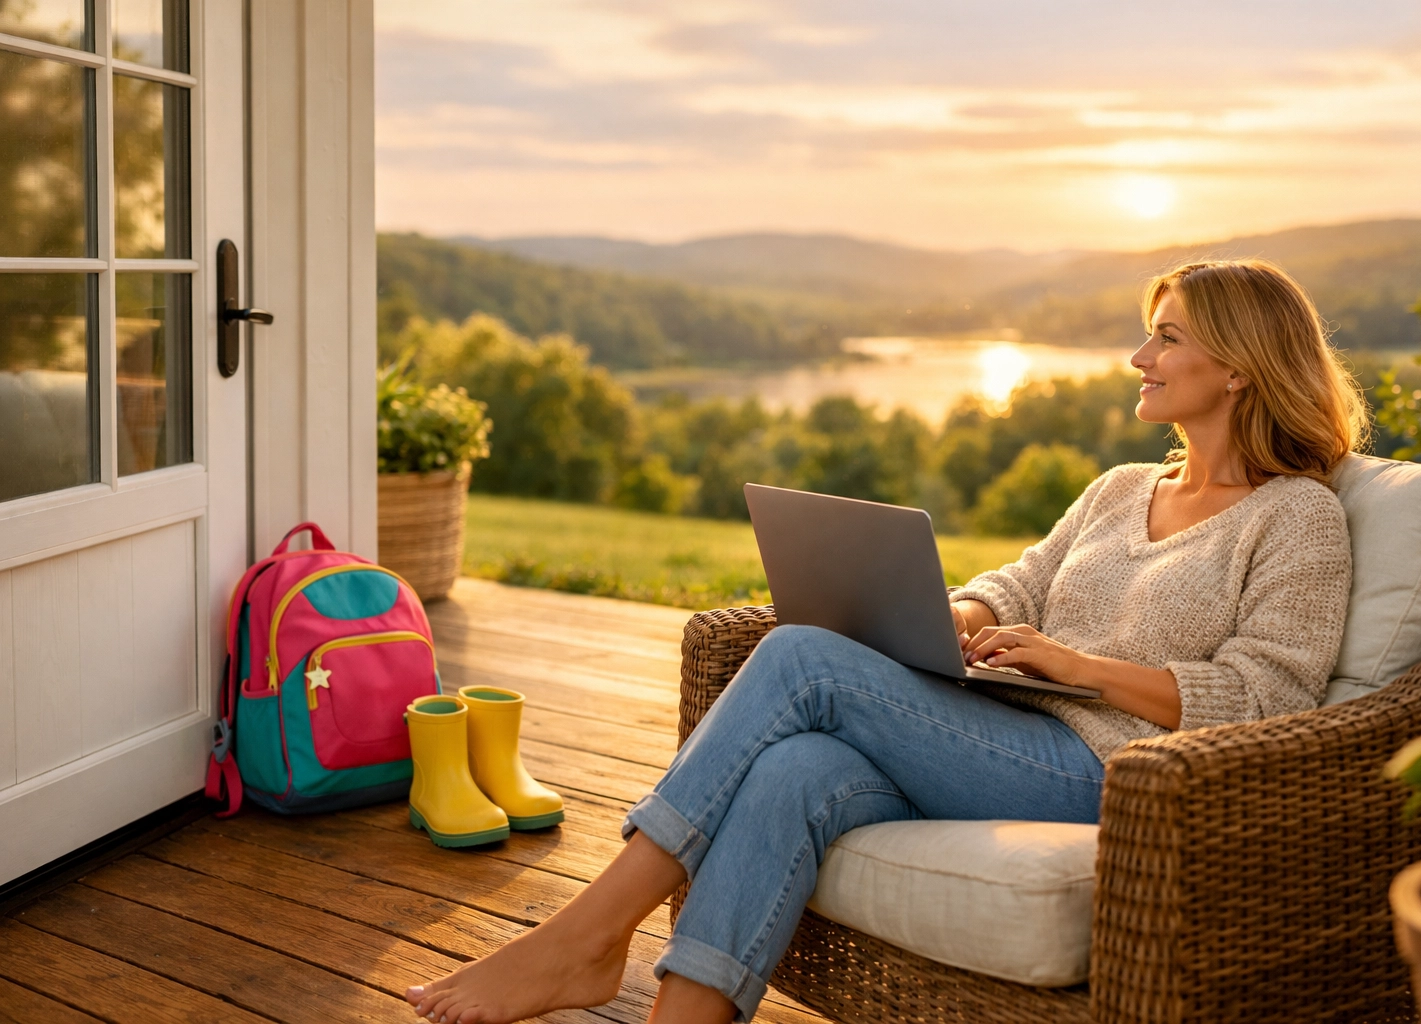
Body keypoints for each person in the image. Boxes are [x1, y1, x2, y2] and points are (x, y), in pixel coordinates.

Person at [405, 258, 1366, 1024]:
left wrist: (1074, 665)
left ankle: (587, 934)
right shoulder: (1120, 488)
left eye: (1167, 337)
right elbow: (1018, 582)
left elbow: (1269, 697)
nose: (1137, 356)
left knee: (800, 655)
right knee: (796, 772)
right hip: (1002, 732)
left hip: (1117, 777)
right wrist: (963, 620)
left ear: (1238, 366)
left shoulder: (1296, 517)